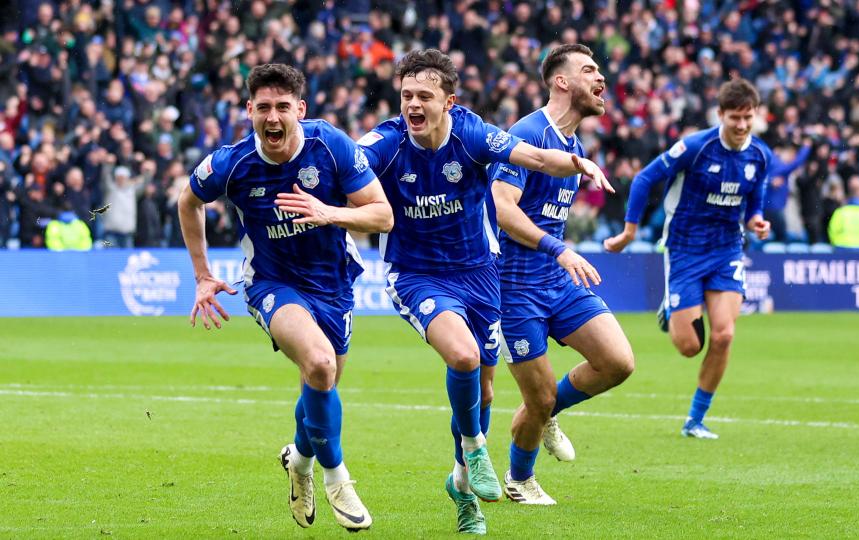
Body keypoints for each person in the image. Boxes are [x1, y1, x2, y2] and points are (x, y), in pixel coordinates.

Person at [358, 48, 611, 535]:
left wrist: (578, 162)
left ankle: (462, 489)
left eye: (424, 96)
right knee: (465, 357)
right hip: (416, 274)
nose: (412, 104)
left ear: (448, 102)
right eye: (406, 94)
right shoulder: (386, 144)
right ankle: (475, 449)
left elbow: (536, 157)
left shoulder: (472, 133)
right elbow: (346, 170)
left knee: (487, 389)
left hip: (479, 273)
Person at [177, 64, 393, 532]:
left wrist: (327, 212)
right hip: (271, 283)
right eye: (263, 108)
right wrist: (202, 275)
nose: (272, 118)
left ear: (300, 109)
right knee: (318, 365)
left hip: (333, 285)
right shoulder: (232, 164)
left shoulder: (330, 146)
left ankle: (298, 462)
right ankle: (338, 479)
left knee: (321, 385)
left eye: (281, 107)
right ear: (248, 110)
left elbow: (382, 215)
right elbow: (187, 201)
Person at [488, 44, 634, 505]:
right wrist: (559, 248)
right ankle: (519, 479)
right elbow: (502, 208)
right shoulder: (528, 133)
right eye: (589, 70)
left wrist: (558, 253)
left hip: (557, 279)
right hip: (514, 288)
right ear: (561, 81)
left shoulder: (575, 146)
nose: (601, 79)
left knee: (617, 362)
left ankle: (548, 410)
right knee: (539, 396)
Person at [605, 79, 772, 439]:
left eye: (748, 118)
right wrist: (630, 232)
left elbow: (755, 199)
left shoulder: (760, 155)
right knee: (689, 347)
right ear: (720, 115)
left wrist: (756, 220)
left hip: (727, 249)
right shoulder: (696, 148)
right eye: (735, 118)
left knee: (724, 335)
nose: (742, 126)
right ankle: (671, 309)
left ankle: (695, 419)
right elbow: (644, 179)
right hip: (684, 250)